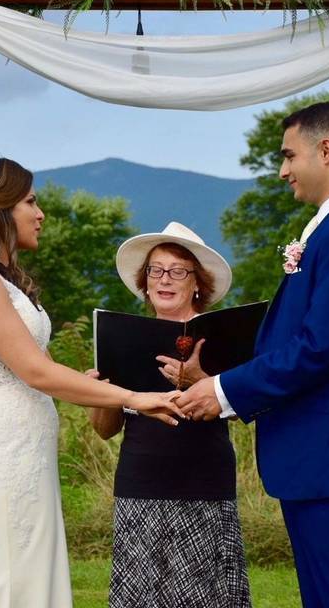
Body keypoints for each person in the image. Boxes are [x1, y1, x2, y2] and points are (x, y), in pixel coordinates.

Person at [0, 156, 183, 608]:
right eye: (30, 201)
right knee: (5, 579)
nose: (40, 213)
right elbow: (37, 372)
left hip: (17, 447)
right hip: (5, 452)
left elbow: (40, 370)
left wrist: (95, 384)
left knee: (20, 574)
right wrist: (134, 397)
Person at [176, 102, 329, 607]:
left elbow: (321, 347)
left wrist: (221, 393)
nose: (282, 170)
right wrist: (214, 373)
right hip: (322, 460)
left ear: (325, 151)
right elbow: (308, 341)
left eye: (288, 156)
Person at [88, 222, 251, 608]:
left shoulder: (222, 336)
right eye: (156, 270)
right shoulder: (122, 337)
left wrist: (201, 380)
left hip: (204, 484)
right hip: (141, 482)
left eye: (178, 270)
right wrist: (103, 392)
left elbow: (245, 411)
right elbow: (104, 430)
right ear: (144, 282)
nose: (165, 278)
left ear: (197, 282)